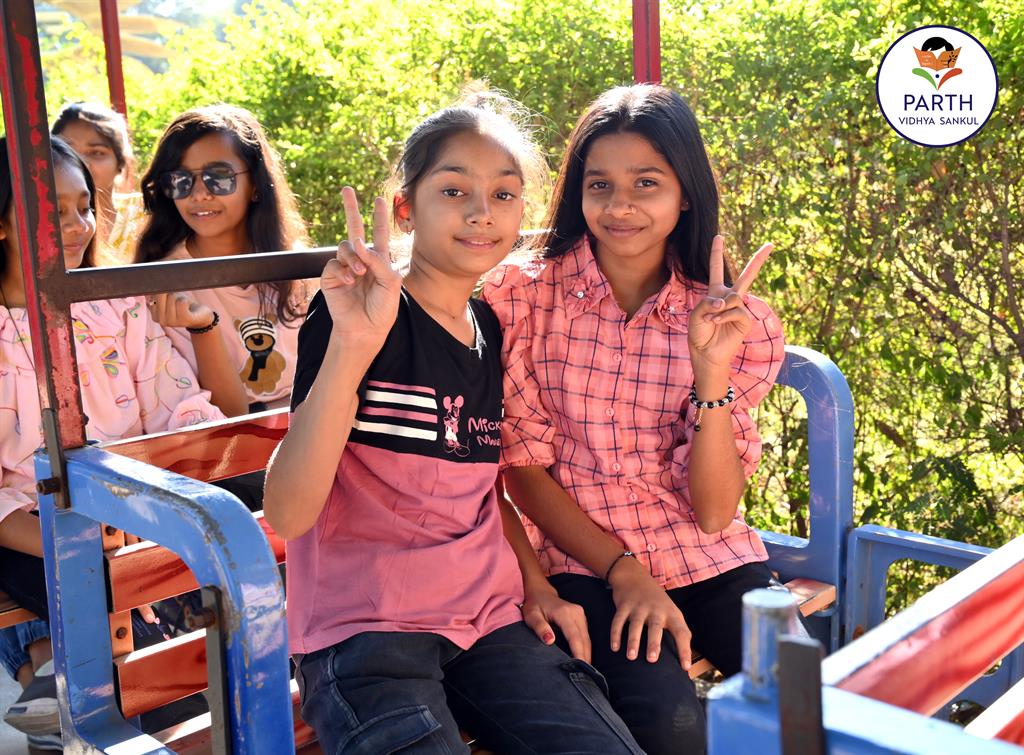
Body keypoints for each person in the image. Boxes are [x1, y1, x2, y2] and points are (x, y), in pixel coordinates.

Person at [263, 92, 643, 754]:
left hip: (488, 621)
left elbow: (482, 489)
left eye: (503, 194)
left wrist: (535, 586)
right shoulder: (360, 313)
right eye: (453, 191)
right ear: (405, 208)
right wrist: (354, 344)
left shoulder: (487, 326)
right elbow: (289, 512)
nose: (480, 213)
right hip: (367, 633)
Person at [482, 83, 786, 754]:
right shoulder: (524, 297)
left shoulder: (730, 319)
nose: (620, 206)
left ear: (685, 194)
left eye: (646, 183)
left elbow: (715, 513)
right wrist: (623, 569)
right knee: (670, 725)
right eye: (600, 185)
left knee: (806, 702)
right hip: (584, 560)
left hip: (706, 554)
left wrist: (710, 373)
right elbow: (522, 472)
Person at [0, 135, 225, 749]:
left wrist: (144, 521)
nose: (78, 227)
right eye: (54, 213)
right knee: (109, 599)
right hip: (31, 533)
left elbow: (178, 415)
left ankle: (53, 682)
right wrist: (88, 551)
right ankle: (72, 687)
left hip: (136, 509)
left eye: (84, 207)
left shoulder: (114, 306)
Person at [135, 105, 311, 418]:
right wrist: (205, 329)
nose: (199, 194)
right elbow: (227, 415)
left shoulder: (299, 269)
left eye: (218, 177)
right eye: (180, 180)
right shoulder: (163, 284)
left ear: (255, 184)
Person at [52, 101, 144, 266]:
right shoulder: (40, 219)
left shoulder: (145, 213)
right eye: (69, 151)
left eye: (97, 152)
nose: (81, 162)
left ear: (120, 162)